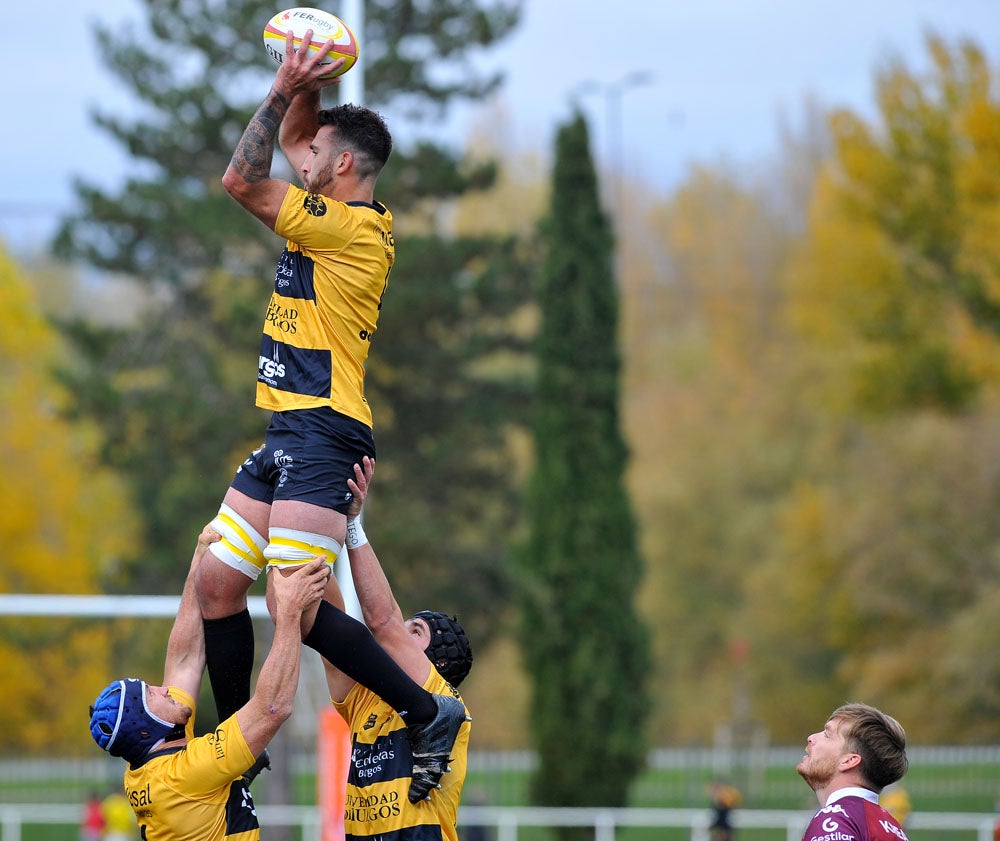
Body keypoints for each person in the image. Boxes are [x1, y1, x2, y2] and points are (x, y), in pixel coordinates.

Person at [197, 25, 465, 801]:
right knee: (218, 582)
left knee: (297, 604)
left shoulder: (349, 228)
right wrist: (306, 72)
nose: (296, 156)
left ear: (341, 165)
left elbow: (240, 181)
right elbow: (288, 136)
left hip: (324, 425)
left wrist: (285, 85)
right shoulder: (331, 197)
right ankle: (235, 759)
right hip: (289, 427)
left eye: (310, 153)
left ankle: (427, 711)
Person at [88, 524, 330, 840]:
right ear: (148, 728)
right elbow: (272, 707)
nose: (164, 688)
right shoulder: (187, 772)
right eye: (153, 694)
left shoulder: (151, 761)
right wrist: (290, 613)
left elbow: (184, 659)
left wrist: (198, 561)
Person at [322, 456, 473, 837]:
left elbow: (382, 620)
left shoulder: (441, 699)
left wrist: (352, 524)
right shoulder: (364, 701)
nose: (400, 634)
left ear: (435, 662)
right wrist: (304, 530)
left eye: (415, 631)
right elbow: (325, 622)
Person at [796, 703, 910, 841]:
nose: (811, 737)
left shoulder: (835, 821)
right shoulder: (892, 828)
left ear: (848, 761)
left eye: (827, 734)